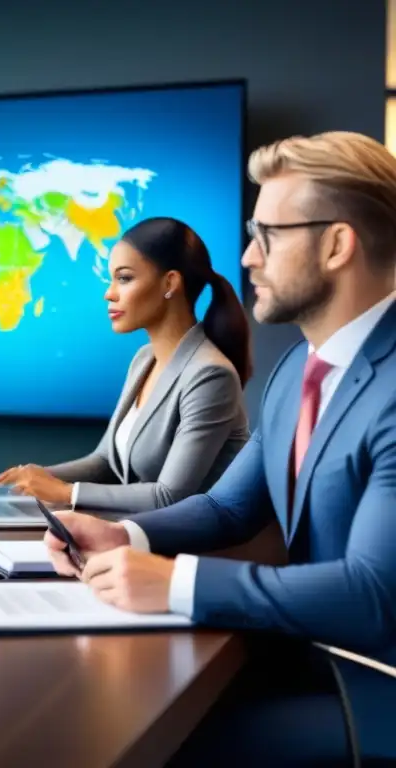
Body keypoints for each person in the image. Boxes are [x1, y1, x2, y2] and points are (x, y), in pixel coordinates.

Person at [44, 131, 396, 763]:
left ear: (338, 244)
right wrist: (125, 536)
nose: (248, 258)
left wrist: (176, 582)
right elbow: (228, 508)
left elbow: (372, 595)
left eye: (268, 235)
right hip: (305, 659)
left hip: (374, 696)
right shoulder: (298, 371)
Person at [0, 217, 252, 513]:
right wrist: (39, 477)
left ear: (170, 283)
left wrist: (66, 492)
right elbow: (105, 462)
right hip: (139, 531)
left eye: (124, 278)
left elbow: (170, 496)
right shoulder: (144, 359)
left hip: (195, 549)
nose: (109, 292)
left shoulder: (210, 375)